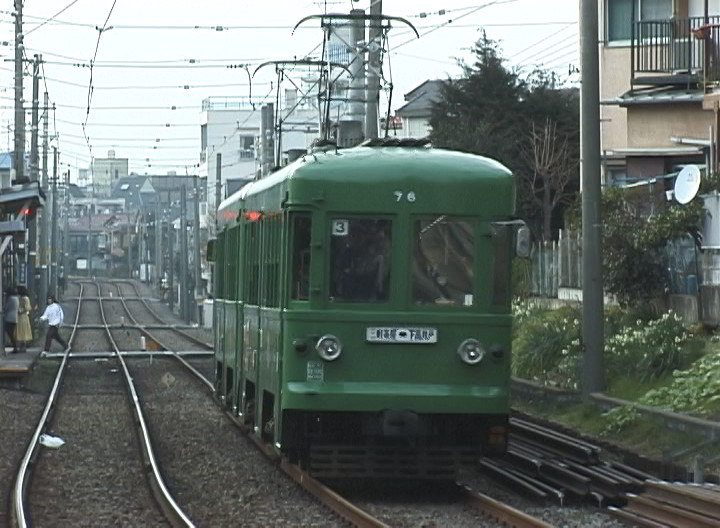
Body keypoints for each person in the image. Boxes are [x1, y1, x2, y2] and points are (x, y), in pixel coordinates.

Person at [15, 285, 33, 353]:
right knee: (22, 331)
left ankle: (23, 346)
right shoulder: (21, 298)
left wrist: (20, 311)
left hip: (23, 316)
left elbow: (27, 308)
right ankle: (22, 346)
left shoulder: (25, 298)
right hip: (21, 316)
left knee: (22, 331)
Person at [3, 286, 19, 354]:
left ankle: (15, 346)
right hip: (15, 318)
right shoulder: (16, 298)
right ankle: (15, 346)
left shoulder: (10, 299)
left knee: (10, 333)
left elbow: (6, 308)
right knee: (12, 333)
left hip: (9, 318)